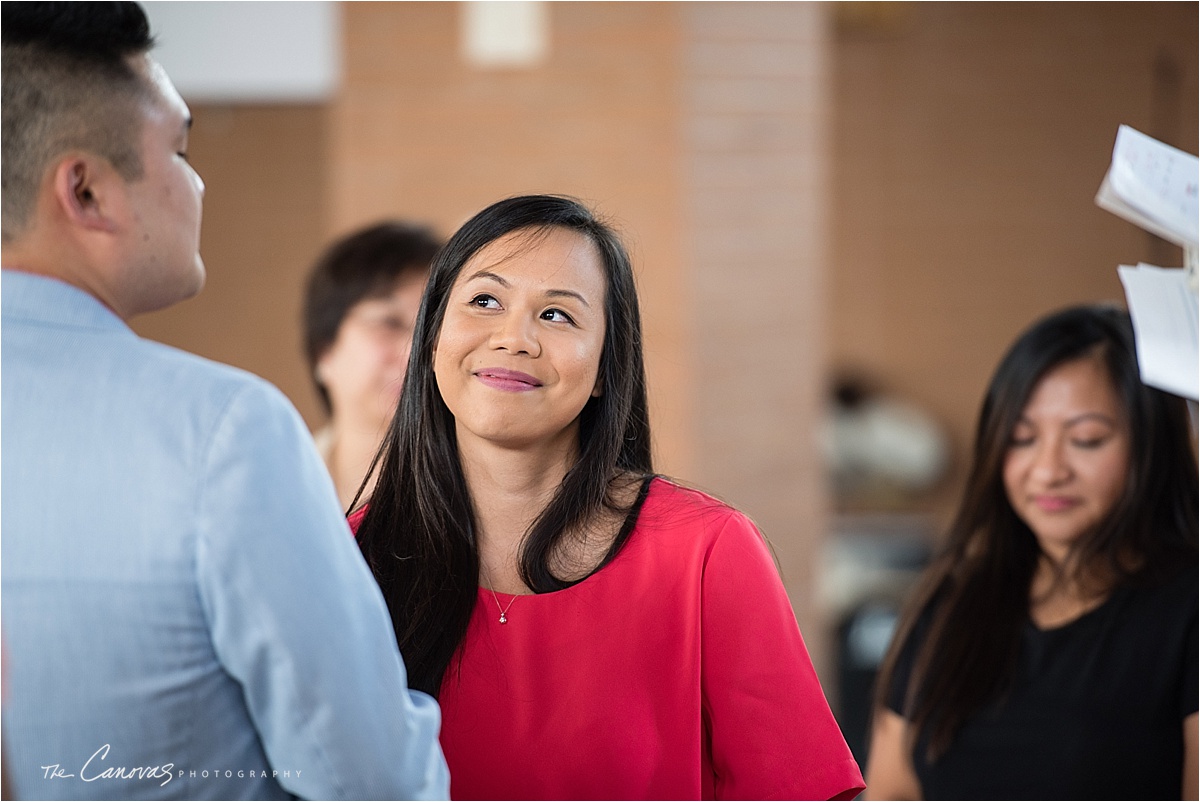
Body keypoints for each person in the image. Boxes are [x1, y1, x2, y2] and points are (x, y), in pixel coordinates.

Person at [0, 4, 448, 799]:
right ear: (87, 190)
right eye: (179, 148)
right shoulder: (219, 432)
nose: (199, 181)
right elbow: (372, 778)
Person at [352, 194, 865, 800]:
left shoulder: (704, 551)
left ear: (604, 370)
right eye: (485, 301)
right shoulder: (355, 553)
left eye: (557, 316)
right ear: (433, 338)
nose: (514, 338)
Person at [863, 305, 1198, 800]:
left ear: (1153, 445)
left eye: (1086, 440)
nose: (1047, 470)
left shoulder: (1187, 611)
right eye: (1022, 438)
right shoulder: (954, 601)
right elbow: (892, 792)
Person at [303, 221, 442, 509]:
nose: (415, 354)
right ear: (324, 351)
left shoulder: (471, 505)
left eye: (432, 329)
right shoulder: (274, 485)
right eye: (389, 323)